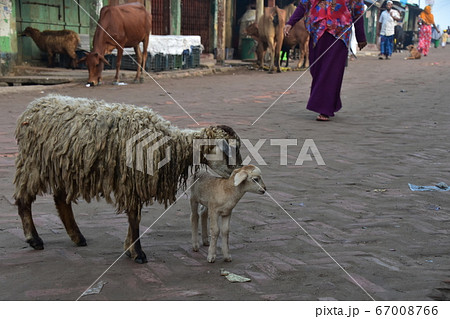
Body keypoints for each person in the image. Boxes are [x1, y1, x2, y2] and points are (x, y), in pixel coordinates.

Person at [283, 0, 367, 121]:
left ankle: (325, 109)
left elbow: (358, 11)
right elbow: (303, 5)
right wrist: (290, 23)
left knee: (331, 71)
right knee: (316, 70)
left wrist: (361, 37)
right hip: (317, 34)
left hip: (339, 35)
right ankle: (331, 102)